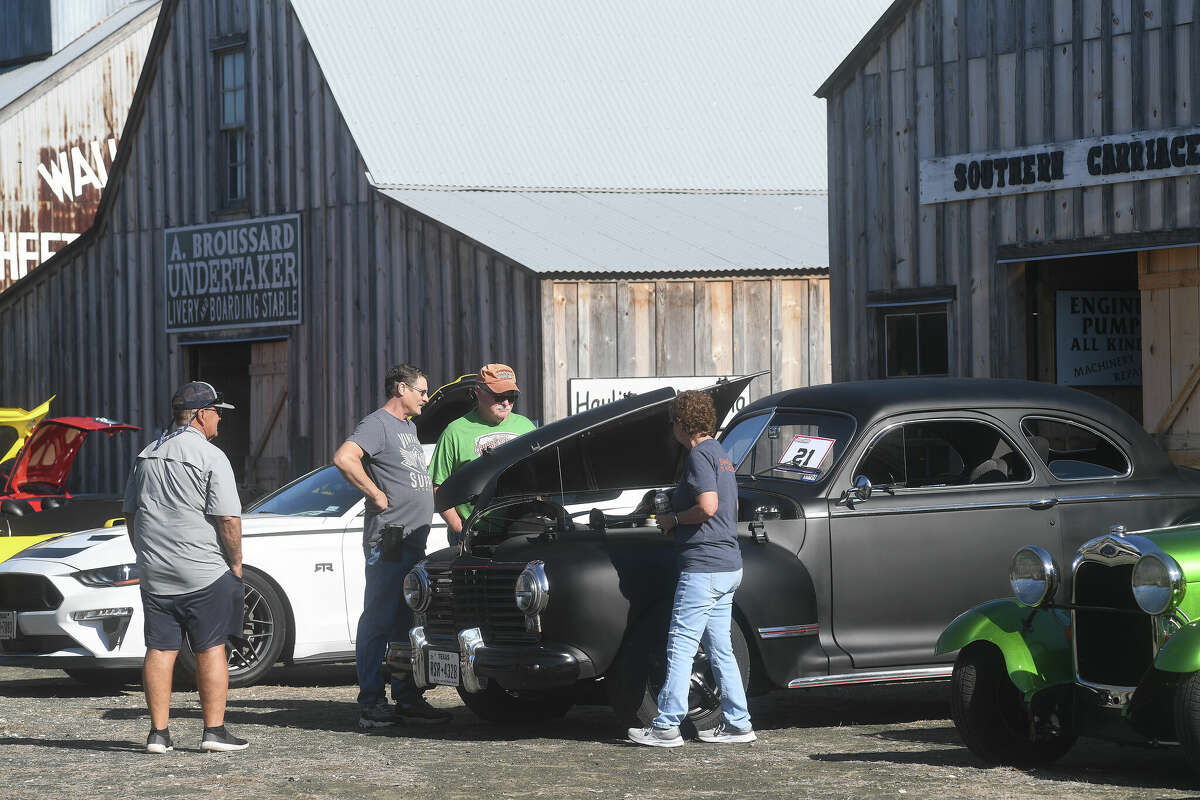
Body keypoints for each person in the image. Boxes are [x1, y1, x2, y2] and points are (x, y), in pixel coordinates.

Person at [123, 380, 249, 754]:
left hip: (156, 573)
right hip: (202, 570)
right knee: (211, 648)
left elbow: (131, 515)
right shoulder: (212, 457)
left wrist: (146, 554)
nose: (219, 422)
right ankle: (214, 730)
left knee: (160, 649)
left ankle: (158, 734)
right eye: (216, 414)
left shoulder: (146, 455)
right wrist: (236, 563)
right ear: (200, 415)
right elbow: (227, 519)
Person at [627, 390, 755, 747]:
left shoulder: (699, 456)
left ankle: (666, 725)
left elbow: (708, 506)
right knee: (721, 649)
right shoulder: (720, 455)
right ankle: (738, 723)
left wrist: (672, 520)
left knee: (681, 644)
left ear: (681, 424)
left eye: (673, 423)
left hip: (704, 566)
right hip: (728, 563)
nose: (672, 429)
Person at [332, 364, 451, 728]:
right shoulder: (377, 424)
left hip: (413, 539)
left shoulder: (409, 428)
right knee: (380, 619)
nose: (426, 398)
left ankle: (406, 697)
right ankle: (371, 700)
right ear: (401, 388)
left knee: (406, 620)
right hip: (391, 537)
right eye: (422, 391)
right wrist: (375, 493)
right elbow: (344, 458)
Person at [429, 363, 535, 543]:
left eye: (512, 396)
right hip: (475, 535)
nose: (506, 402)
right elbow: (437, 487)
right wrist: (459, 528)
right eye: (499, 396)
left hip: (520, 532)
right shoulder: (455, 432)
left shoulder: (526, 426)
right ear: (479, 391)